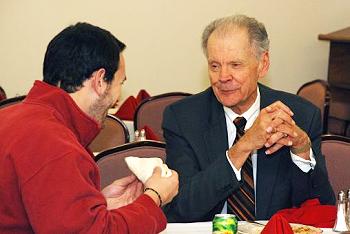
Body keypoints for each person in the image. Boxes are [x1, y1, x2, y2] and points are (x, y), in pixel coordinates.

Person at [0, 23, 178, 233]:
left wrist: (100, 204)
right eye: (120, 83)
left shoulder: (11, 117)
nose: (117, 98)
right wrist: (153, 197)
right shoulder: (54, 142)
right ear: (100, 81)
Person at [162, 14, 335, 222]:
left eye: (235, 65)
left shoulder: (300, 115)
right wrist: (242, 147)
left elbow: (322, 209)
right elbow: (181, 208)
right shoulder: (183, 118)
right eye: (215, 66)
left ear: (263, 64)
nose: (223, 77)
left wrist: (301, 151)